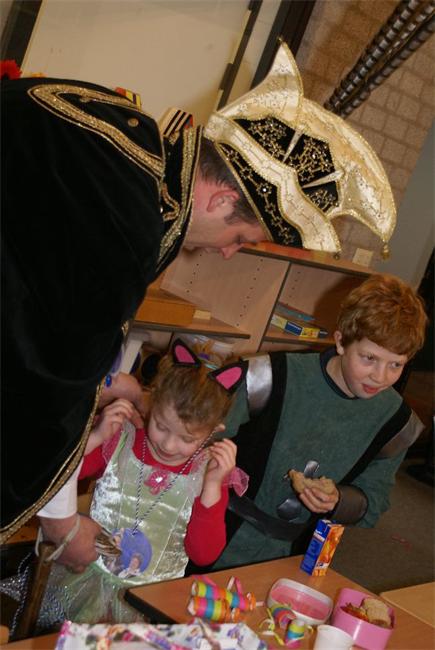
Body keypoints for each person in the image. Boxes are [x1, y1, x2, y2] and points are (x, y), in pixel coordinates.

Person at [1, 43, 397, 569]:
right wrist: (61, 522)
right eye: (241, 237)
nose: (230, 252)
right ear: (219, 200)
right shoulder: (128, 222)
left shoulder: (130, 143)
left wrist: (104, 381)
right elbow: (50, 381)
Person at [188, 273, 428, 572]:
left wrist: (338, 500)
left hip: (298, 555)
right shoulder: (271, 377)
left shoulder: (395, 421)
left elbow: (375, 498)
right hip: (214, 532)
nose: (380, 377)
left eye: (396, 365)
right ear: (341, 341)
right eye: (368, 358)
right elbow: (196, 435)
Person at [31, 338, 247, 625]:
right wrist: (95, 437)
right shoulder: (121, 439)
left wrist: (210, 488)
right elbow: (54, 479)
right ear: (151, 403)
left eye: (187, 438)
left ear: (214, 431)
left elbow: (203, 555)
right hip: (87, 584)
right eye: (160, 426)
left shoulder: (210, 474)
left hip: (153, 602)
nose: (168, 445)